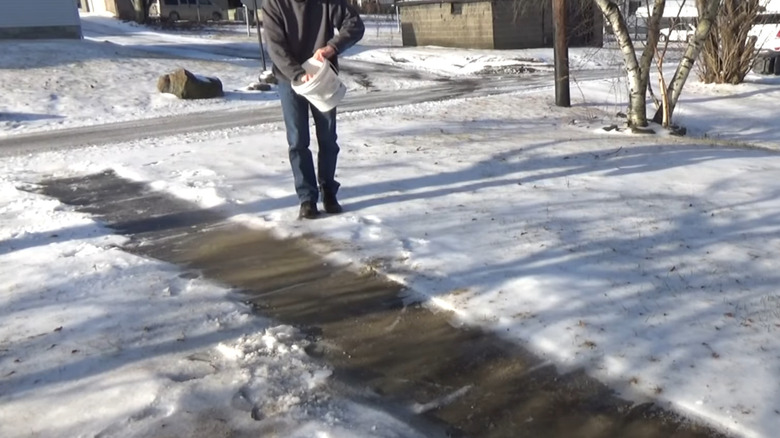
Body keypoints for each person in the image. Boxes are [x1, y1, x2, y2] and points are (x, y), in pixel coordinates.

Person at [261, 0, 365, 219]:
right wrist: (297, 73)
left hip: (322, 76)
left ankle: (328, 190)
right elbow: (276, 46)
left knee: (328, 137)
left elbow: (355, 24)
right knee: (298, 140)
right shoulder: (273, 4)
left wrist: (333, 47)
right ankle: (307, 197)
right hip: (289, 78)